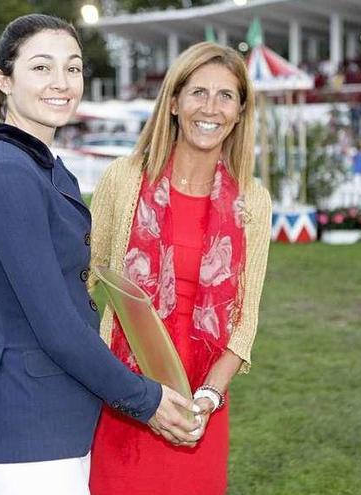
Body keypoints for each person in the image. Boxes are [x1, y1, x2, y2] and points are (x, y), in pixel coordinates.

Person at [0, 14, 200, 495]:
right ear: (4, 80)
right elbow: (56, 325)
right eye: (41, 68)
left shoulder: (38, 168)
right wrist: (146, 399)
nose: (62, 83)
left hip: (59, 413)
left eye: (73, 68)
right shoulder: (7, 175)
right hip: (29, 424)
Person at [87, 42, 272, 495]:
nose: (211, 108)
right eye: (198, 93)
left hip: (200, 405)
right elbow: (88, 278)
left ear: (240, 111)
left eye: (226, 96)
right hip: (125, 393)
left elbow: (244, 323)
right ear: (173, 102)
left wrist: (207, 398)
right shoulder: (124, 179)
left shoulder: (254, 201)